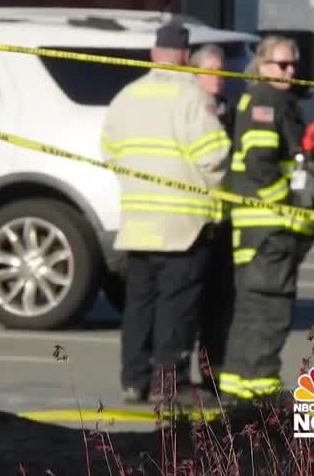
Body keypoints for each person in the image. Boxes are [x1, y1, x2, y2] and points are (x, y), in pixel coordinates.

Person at [101, 20, 231, 403]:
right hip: (183, 221)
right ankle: (168, 384)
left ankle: (134, 379)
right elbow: (214, 155)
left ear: (154, 54)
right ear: (186, 57)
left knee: (139, 303)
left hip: (139, 220)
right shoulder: (191, 97)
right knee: (177, 305)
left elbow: (108, 149)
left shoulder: (127, 96)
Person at [219, 35, 314, 404]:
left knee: (250, 306)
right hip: (269, 228)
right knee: (270, 306)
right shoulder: (266, 101)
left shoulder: (266, 99)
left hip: (256, 228)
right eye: (280, 64)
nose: (289, 71)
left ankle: (236, 386)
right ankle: (262, 387)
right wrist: (290, 206)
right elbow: (261, 166)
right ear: (261, 65)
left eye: (293, 64)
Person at [189, 43, 235, 389]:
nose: (216, 79)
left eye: (220, 72)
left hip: (223, 220)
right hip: (189, 221)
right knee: (188, 303)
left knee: (221, 303)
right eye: (209, 72)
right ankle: (171, 376)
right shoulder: (186, 110)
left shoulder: (229, 112)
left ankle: (212, 373)